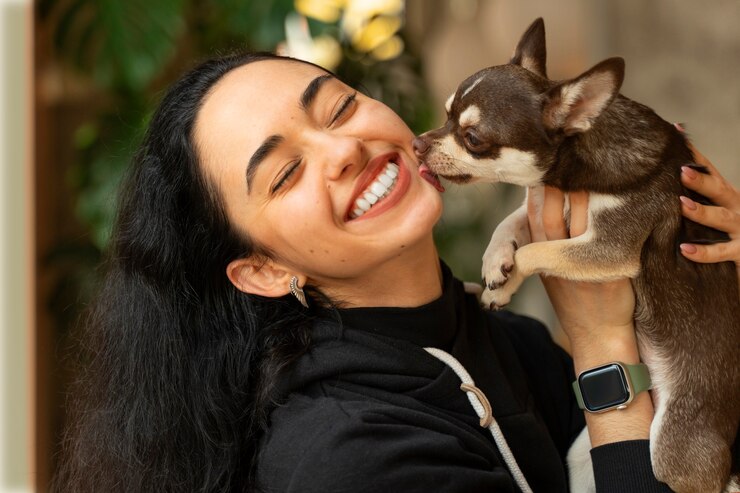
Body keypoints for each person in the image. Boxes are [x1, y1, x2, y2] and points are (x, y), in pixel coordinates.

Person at [52, 52, 740, 492]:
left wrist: (712, 281)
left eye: (340, 106)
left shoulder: (500, 340)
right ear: (262, 269)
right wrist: (601, 352)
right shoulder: (345, 456)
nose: (345, 148)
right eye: (287, 171)